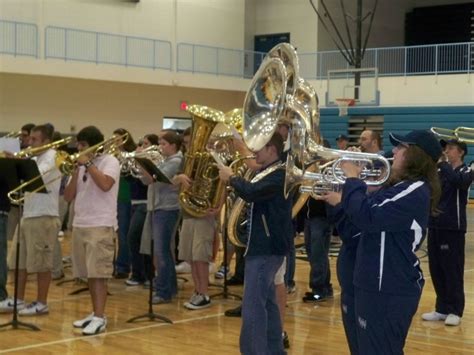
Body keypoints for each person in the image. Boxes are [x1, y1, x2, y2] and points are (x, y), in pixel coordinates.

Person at [320, 129, 441, 354]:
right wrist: (346, 196)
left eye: (400, 147)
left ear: (416, 155)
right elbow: (353, 227)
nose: (393, 151)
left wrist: (354, 178)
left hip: (388, 289)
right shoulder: (396, 187)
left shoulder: (415, 190)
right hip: (371, 284)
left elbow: (367, 216)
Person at [219, 132, 292, 355]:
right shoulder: (268, 171)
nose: (254, 152)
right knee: (268, 305)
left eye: (258, 148)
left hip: (266, 249)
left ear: (272, 149)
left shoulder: (279, 174)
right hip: (263, 247)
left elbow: (251, 192)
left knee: (252, 310)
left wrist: (232, 178)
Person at [64, 126, 120, 335]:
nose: (79, 149)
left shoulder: (110, 161)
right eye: (78, 144)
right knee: (88, 274)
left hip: (101, 224)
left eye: (83, 145)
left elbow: (105, 185)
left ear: (95, 145)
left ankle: (100, 316)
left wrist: (87, 164)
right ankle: (95, 313)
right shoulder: (80, 166)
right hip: (81, 223)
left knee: (99, 274)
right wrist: (76, 171)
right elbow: (68, 197)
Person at [0, 125, 61, 315]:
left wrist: (18, 161)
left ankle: (42, 302)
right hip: (28, 214)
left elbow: (36, 177)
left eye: (34, 140)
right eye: (30, 139)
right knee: (19, 261)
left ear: (46, 141)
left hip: (44, 215)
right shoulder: (34, 157)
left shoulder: (53, 156)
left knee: (42, 263)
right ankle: (18, 300)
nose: (29, 142)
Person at [422, 138, 474, 326]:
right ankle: (442, 308)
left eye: (451, 148)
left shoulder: (466, 170)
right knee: (436, 269)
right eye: (446, 148)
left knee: (452, 269)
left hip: (453, 227)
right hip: (435, 224)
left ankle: (455, 310)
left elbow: (459, 182)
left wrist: (443, 165)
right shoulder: (439, 171)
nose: (447, 151)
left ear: (461, 152)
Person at [173, 127, 222, 310]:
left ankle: (204, 293)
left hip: (204, 214)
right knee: (191, 257)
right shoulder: (187, 159)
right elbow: (171, 182)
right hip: (188, 212)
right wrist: (180, 177)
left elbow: (223, 185)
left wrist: (218, 206)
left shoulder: (216, 159)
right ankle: (197, 291)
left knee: (201, 257)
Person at [140, 131, 183, 305]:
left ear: (173, 146)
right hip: (157, 207)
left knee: (161, 251)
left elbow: (156, 178)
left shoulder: (176, 161)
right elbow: (146, 181)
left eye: (163, 144)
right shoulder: (165, 160)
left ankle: (164, 291)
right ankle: (170, 288)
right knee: (162, 251)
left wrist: (144, 163)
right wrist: (143, 166)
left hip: (167, 208)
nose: (160, 147)